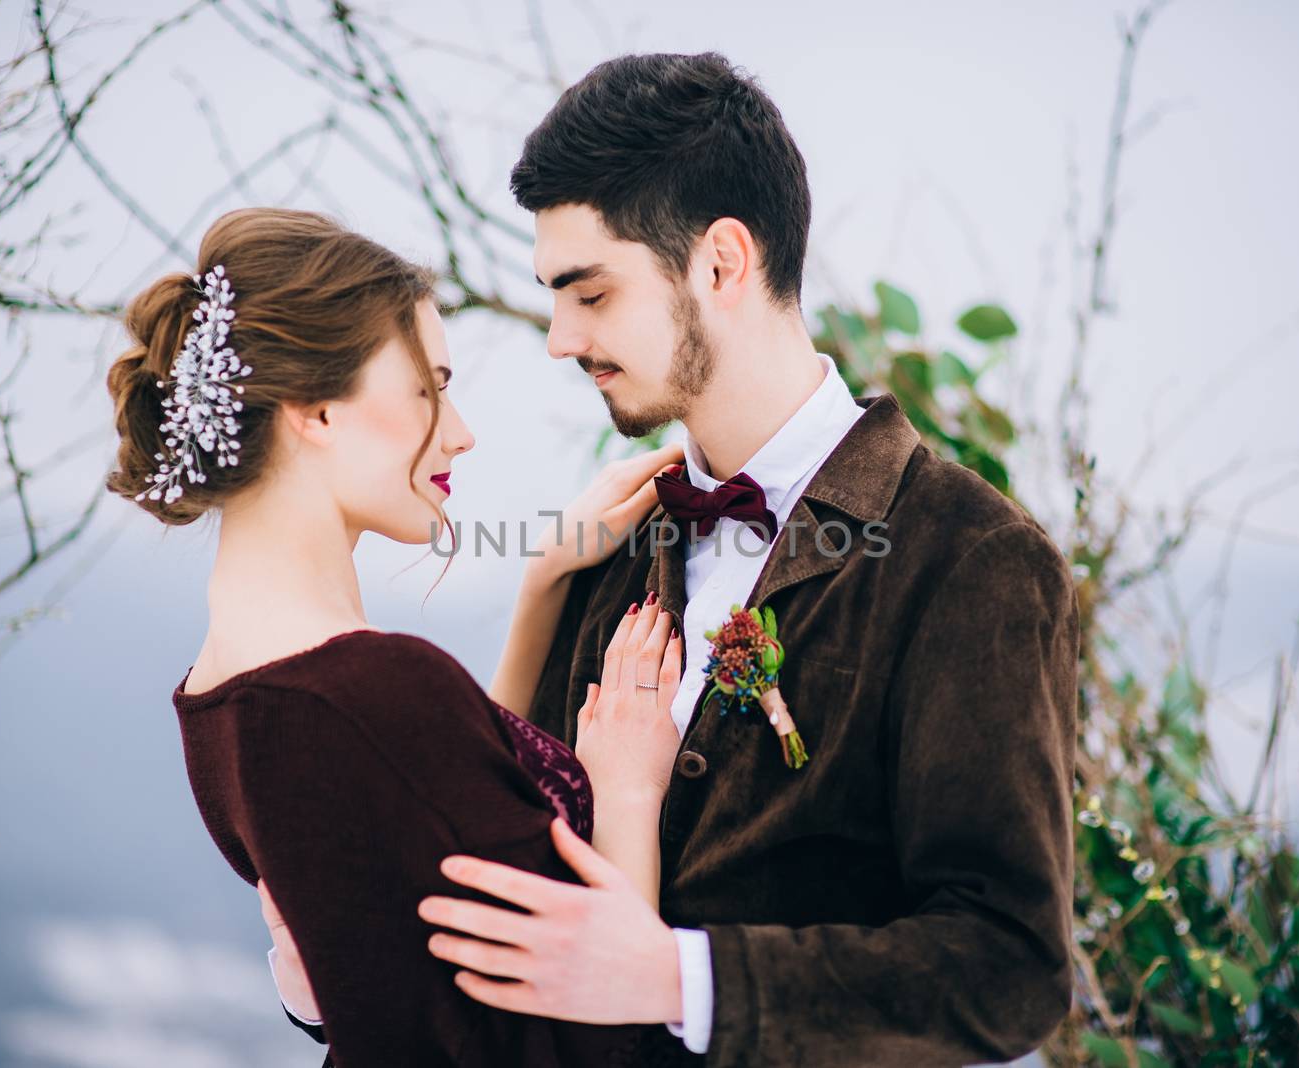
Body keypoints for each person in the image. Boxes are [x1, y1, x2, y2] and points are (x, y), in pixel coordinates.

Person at [269, 52, 1082, 1067]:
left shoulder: (970, 562)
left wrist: (675, 978)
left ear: (722, 263)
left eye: (591, 293)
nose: (559, 339)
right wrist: (332, 976)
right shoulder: (605, 552)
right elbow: (520, 894)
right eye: (553, 296)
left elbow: (1008, 966)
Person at [104, 205, 702, 1066]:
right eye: (431, 387)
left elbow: (441, 802)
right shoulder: (369, 691)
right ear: (315, 411)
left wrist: (540, 584)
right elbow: (597, 1033)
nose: (460, 431)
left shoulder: (217, 698)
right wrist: (629, 793)